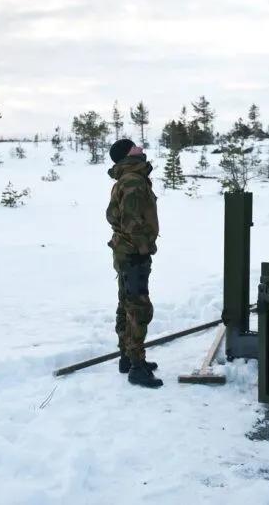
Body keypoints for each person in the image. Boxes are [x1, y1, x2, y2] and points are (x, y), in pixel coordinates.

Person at [106, 138, 163, 388]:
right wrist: (142, 247)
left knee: (126, 304)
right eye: (135, 146)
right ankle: (137, 367)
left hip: (125, 250)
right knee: (138, 308)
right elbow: (131, 220)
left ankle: (127, 358)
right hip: (132, 253)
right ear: (128, 154)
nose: (141, 147)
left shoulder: (130, 177)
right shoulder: (132, 180)